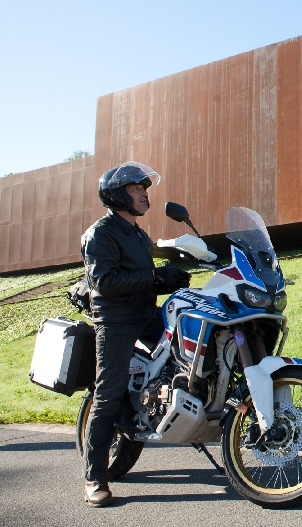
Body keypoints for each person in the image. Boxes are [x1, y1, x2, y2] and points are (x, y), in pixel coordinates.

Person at [80, 161, 191, 507]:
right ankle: (94, 478)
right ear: (117, 195)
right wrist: (157, 279)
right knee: (108, 393)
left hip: (145, 313)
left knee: (194, 337)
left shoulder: (137, 234)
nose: (144, 194)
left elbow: (142, 271)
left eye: (144, 188)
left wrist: (176, 268)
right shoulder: (100, 233)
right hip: (116, 320)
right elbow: (106, 282)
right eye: (135, 189)